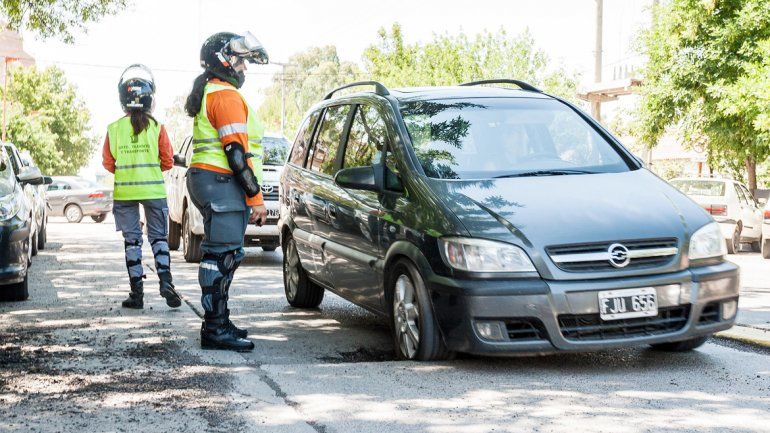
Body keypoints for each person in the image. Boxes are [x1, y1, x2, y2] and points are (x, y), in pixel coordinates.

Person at [184, 32, 269, 351]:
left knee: (223, 254)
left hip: (211, 180)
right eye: (241, 61)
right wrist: (256, 198)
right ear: (224, 60)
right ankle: (215, 329)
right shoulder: (225, 95)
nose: (244, 68)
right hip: (221, 182)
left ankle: (219, 320)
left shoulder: (212, 91)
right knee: (221, 257)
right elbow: (236, 154)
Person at [103, 64, 181, 310]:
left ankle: (136, 293)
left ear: (122, 100)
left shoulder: (114, 129)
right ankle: (166, 281)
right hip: (153, 192)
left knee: (132, 241)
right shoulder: (157, 127)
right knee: (158, 238)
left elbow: (108, 162)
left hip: (125, 193)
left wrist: (128, 171)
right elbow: (167, 161)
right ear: (150, 99)